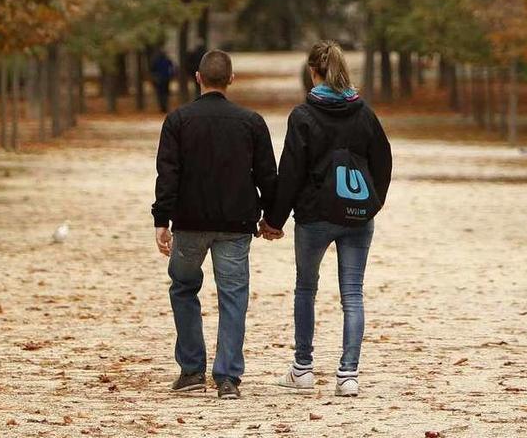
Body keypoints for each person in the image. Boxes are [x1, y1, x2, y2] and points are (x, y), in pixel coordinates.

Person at [260, 40, 392, 397]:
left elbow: (289, 173)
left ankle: (302, 368)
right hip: (357, 214)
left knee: (306, 288)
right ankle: (348, 374)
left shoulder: (303, 117)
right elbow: (383, 160)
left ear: (312, 72)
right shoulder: (364, 114)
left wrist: (274, 219)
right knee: (353, 294)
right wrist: (373, 203)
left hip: (315, 215)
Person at [151, 49, 278, 400]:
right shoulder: (251, 122)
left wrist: (162, 219)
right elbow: (268, 175)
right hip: (236, 224)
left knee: (183, 287)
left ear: (197, 78)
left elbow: (168, 175)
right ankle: (227, 378)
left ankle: (192, 369)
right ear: (231, 79)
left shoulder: (177, 121)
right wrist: (273, 217)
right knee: (233, 296)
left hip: (190, 222)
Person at [150, 49, 175, 113]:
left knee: (160, 94)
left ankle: (162, 106)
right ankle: (164, 106)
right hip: (166, 79)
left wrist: (154, 77)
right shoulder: (167, 60)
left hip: (159, 79)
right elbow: (172, 68)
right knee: (165, 93)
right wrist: (171, 75)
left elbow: (152, 70)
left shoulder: (156, 61)